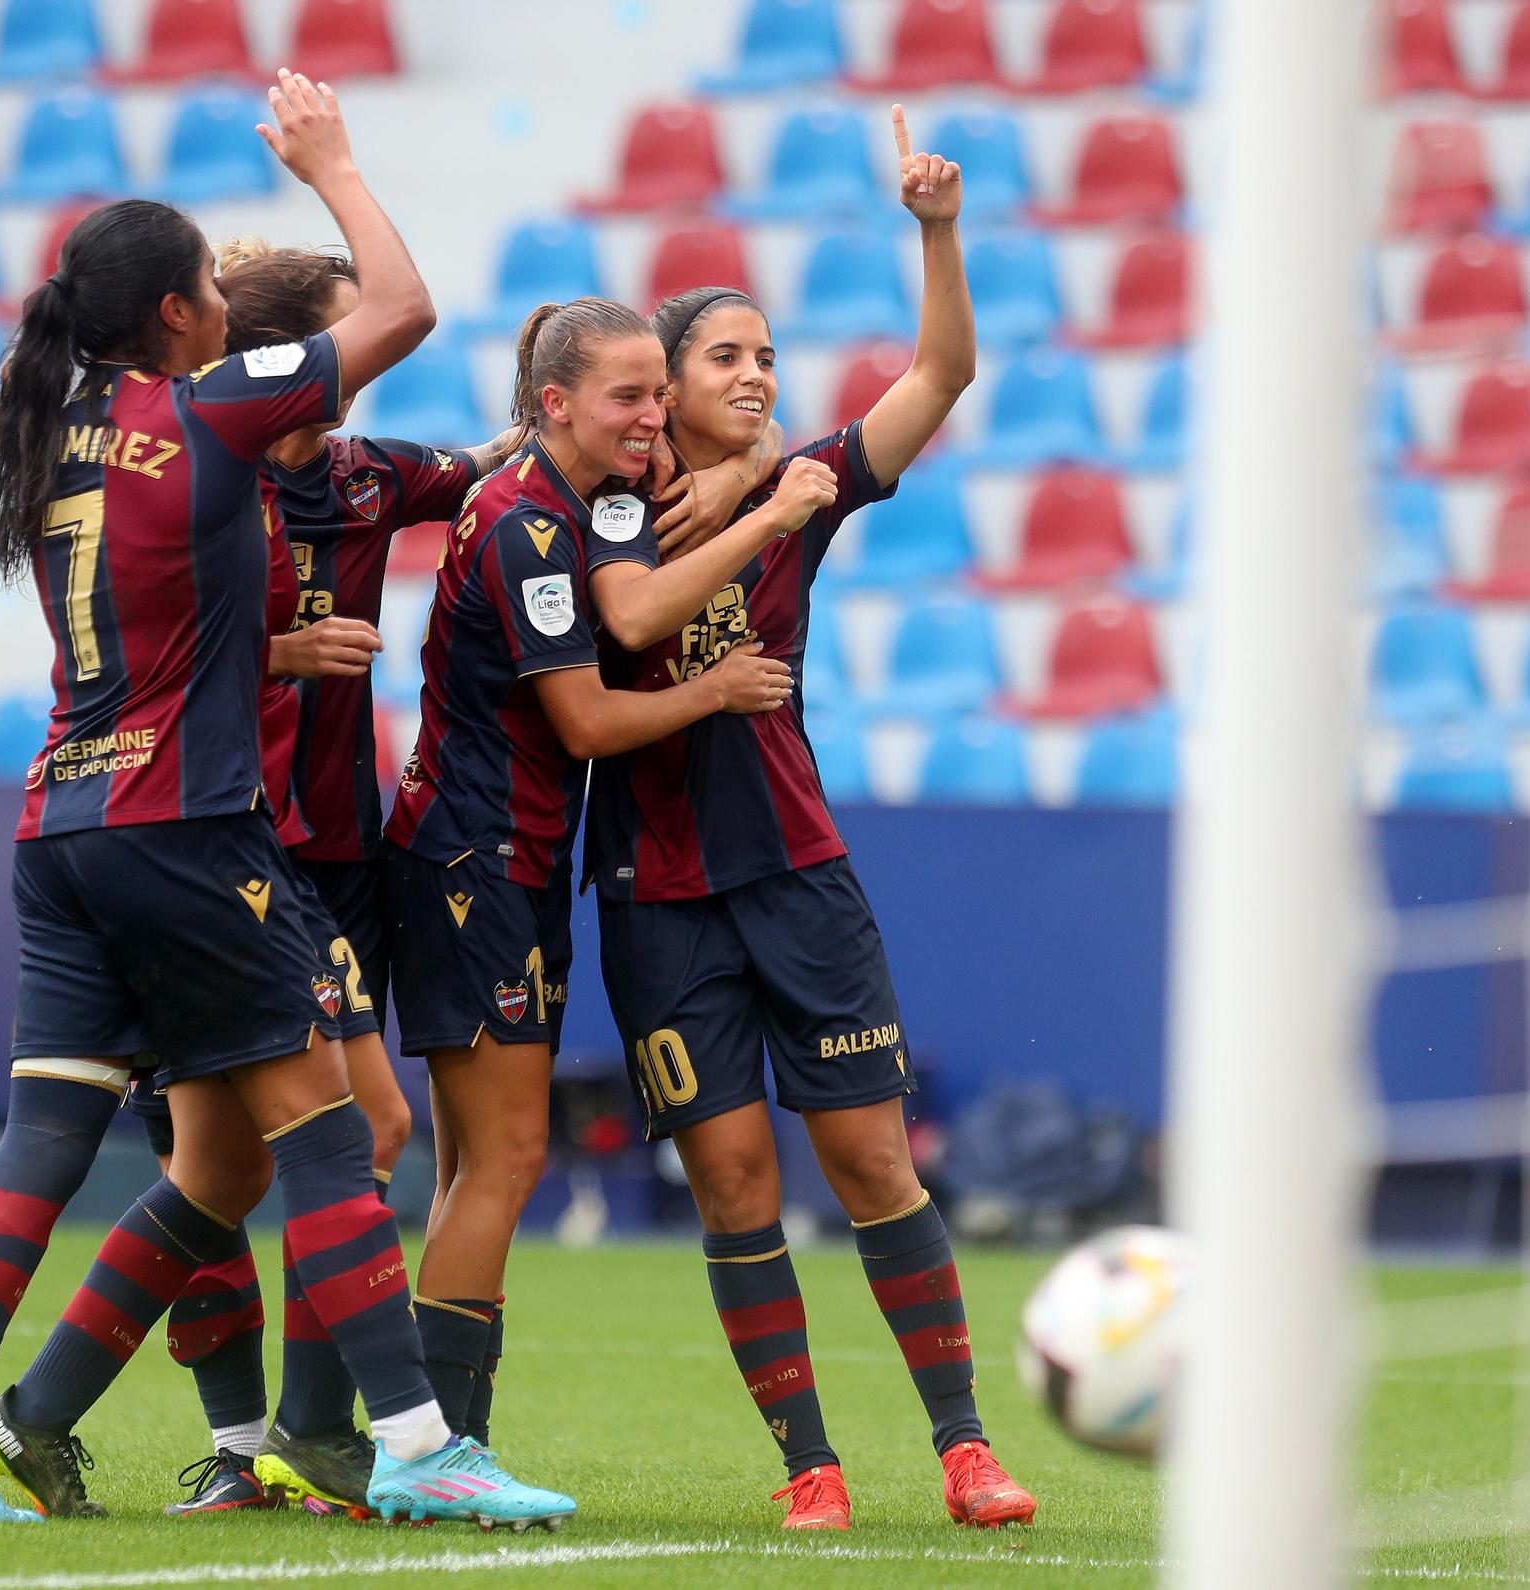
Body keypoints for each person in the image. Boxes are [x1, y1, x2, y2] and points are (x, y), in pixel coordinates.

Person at [0, 71, 568, 1533]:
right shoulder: (208, 417)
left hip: (56, 825)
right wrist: (334, 163)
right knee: (331, 1131)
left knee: (51, 1145)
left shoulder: (47, 429)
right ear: (188, 319)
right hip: (186, 828)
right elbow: (402, 306)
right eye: (202, 281)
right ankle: (419, 1442)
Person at [584, 106, 1038, 1532]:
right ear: (661, 382)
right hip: (655, 891)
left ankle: (965, 1447)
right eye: (729, 354)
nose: (760, 372)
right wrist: (745, 498)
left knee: (868, 1160)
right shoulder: (601, 510)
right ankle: (809, 1467)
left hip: (796, 871)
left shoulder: (811, 485)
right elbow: (621, 610)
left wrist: (938, 229)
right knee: (730, 1175)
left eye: (768, 354)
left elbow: (945, 370)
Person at [382, 295, 832, 1448]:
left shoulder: (570, 502)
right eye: (628, 398)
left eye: (654, 395)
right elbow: (582, 720)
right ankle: (436, 1449)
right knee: (509, 1156)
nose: (651, 417)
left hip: (499, 860)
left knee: (475, 1163)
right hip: (475, 862)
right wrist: (713, 691)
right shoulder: (532, 526)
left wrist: (753, 465)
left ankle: (427, 1438)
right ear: (554, 404)